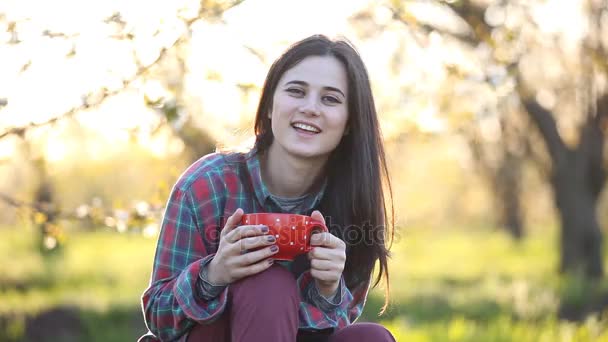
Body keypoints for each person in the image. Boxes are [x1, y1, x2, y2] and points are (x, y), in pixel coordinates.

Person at [140, 34, 396, 342]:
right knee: (267, 285)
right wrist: (214, 274)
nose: (310, 108)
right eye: (296, 91)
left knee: (370, 338)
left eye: (330, 99)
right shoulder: (207, 184)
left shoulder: (353, 200)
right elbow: (159, 318)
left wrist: (327, 290)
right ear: (270, 106)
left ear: (349, 123)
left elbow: (336, 324)